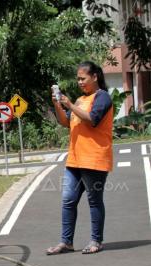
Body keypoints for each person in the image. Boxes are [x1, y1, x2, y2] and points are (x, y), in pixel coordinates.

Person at [46, 61, 113, 255]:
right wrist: (59, 105)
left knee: (94, 200)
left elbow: (92, 119)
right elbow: (66, 122)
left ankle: (96, 241)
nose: (80, 82)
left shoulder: (102, 97)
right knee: (68, 200)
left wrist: (69, 104)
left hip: (94, 159)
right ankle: (66, 242)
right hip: (74, 160)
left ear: (95, 77)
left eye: (83, 78)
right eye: (78, 79)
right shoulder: (79, 100)